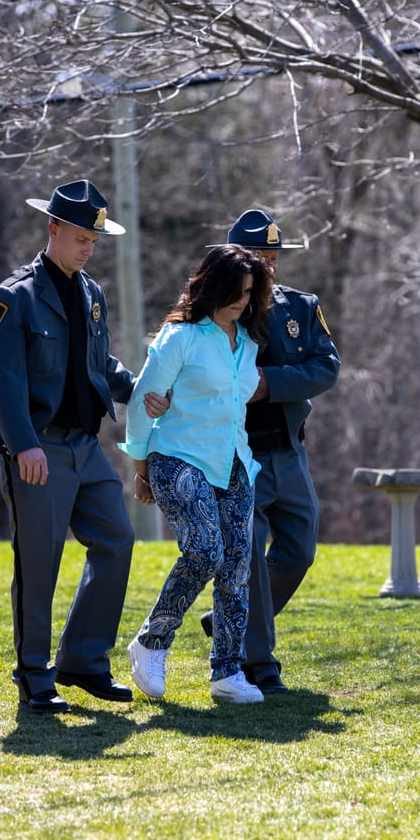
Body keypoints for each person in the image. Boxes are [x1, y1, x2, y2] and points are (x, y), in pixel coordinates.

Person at [0, 178, 168, 713]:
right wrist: (23, 447)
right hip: (36, 449)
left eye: (95, 240)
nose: (89, 248)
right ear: (54, 228)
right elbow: (4, 379)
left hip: (86, 449)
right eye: (82, 238)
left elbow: (98, 366)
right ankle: (33, 673)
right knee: (39, 562)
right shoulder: (11, 297)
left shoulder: (91, 294)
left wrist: (138, 391)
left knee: (116, 538)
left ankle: (83, 662)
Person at [118, 244, 272, 704]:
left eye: (248, 292)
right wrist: (141, 471)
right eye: (233, 291)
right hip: (177, 457)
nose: (241, 301)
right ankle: (151, 642)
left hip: (235, 464)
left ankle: (227, 673)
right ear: (210, 286)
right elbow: (143, 403)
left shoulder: (247, 343)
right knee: (205, 551)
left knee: (237, 567)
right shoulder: (180, 337)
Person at [200, 209, 340, 694]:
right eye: (259, 256)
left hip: (290, 451)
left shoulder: (301, 306)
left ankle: (228, 620)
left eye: (273, 256)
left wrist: (269, 385)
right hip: (240, 455)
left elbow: (326, 368)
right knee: (250, 558)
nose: (269, 265)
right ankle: (260, 664)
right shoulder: (218, 311)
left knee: (299, 551)